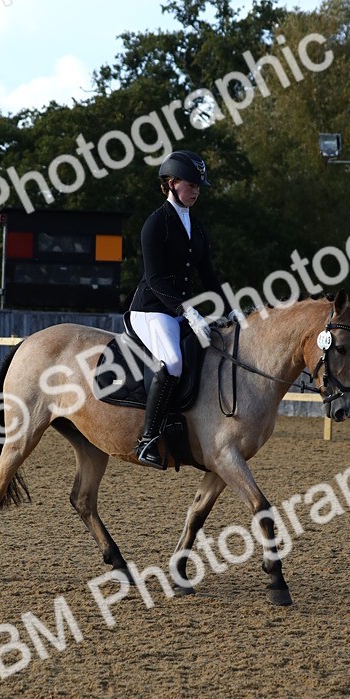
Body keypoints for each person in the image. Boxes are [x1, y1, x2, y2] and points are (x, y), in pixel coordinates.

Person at [129, 149, 230, 468]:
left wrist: (230, 310)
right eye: (191, 184)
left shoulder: (196, 228)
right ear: (171, 183)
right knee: (171, 362)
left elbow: (209, 274)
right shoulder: (155, 224)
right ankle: (146, 439)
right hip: (151, 309)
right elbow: (156, 278)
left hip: (179, 311)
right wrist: (189, 311)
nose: (197, 190)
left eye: (199, 185)